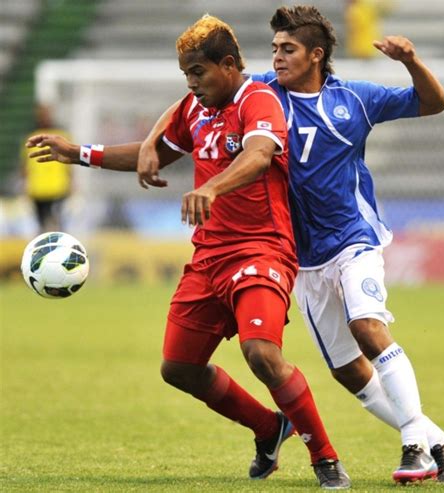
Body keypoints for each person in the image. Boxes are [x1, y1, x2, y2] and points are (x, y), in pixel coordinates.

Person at [136, 6, 444, 486]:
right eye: (273, 48)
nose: (276, 58)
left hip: (355, 238)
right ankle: (441, 441)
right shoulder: (261, 95)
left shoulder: (355, 98)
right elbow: (193, 97)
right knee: (349, 373)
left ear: (315, 54)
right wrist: (151, 139)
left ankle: (415, 445)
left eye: (287, 49)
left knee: (367, 327)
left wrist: (411, 61)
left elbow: (432, 102)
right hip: (305, 258)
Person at [27, 15, 351, 490]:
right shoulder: (195, 110)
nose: (191, 84)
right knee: (178, 367)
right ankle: (269, 427)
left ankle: (324, 457)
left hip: (261, 248)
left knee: (260, 352)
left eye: (197, 73)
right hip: (209, 258)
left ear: (227, 64)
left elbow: (260, 153)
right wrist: (78, 152)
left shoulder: (258, 100)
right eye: (186, 75)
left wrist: (213, 188)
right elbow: (151, 152)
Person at [21, 104, 72, 232]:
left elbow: (71, 161)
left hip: (58, 187)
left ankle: (59, 246)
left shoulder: (61, 136)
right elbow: (25, 163)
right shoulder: (31, 137)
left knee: (56, 221)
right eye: (41, 114)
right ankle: (44, 247)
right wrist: (25, 184)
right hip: (37, 189)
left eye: (46, 113)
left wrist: (72, 182)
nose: (44, 117)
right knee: (41, 223)